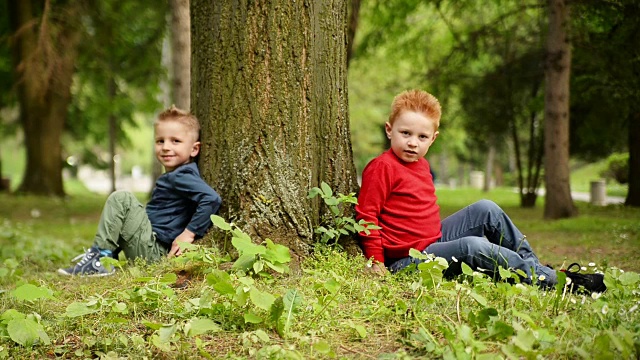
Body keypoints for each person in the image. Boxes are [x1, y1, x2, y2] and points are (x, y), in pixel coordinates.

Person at [355, 89, 605, 293]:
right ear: (389, 130)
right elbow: (367, 216)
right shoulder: (382, 167)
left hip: (434, 240)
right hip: (406, 259)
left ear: (433, 139)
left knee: (486, 209)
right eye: (405, 133)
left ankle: (535, 269)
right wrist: (377, 262)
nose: (412, 142)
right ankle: (559, 282)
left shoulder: (422, 165)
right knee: (471, 246)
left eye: (422, 137)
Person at [58, 106, 222, 276]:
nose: (166, 147)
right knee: (129, 209)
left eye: (175, 141)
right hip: (151, 248)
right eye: (160, 141)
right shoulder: (177, 174)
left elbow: (211, 199)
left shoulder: (182, 175)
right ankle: (106, 257)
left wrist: (188, 235)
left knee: (122, 199)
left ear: (194, 149)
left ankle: (100, 258)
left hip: (155, 254)